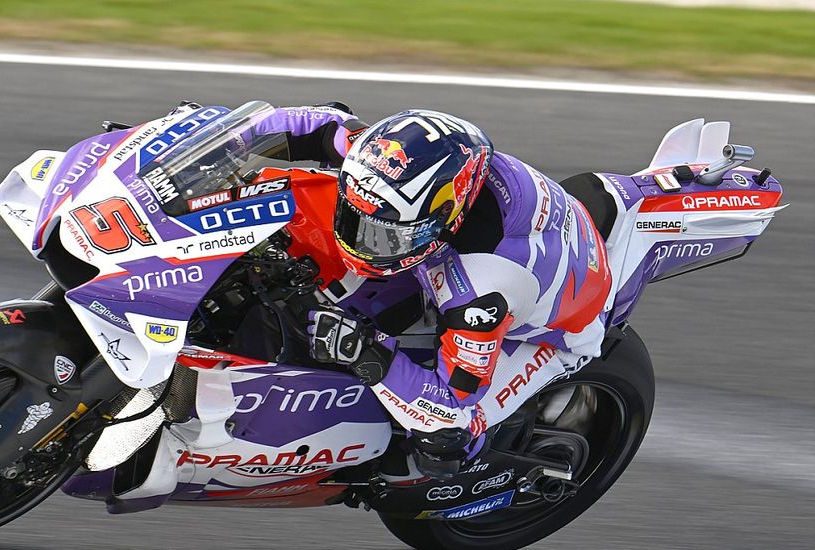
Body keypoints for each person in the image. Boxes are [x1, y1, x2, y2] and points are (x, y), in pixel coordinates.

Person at [256, 103, 613, 478]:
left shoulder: (481, 292)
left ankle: (479, 475)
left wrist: (365, 352)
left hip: (551, 332)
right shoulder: (390, 165)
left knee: (447, 439)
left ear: (446, 217)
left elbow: (450, 406)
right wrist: (220, 134)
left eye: (386, 235)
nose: (361, 242)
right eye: (355, 219)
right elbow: (320, 124)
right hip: (499, 252)